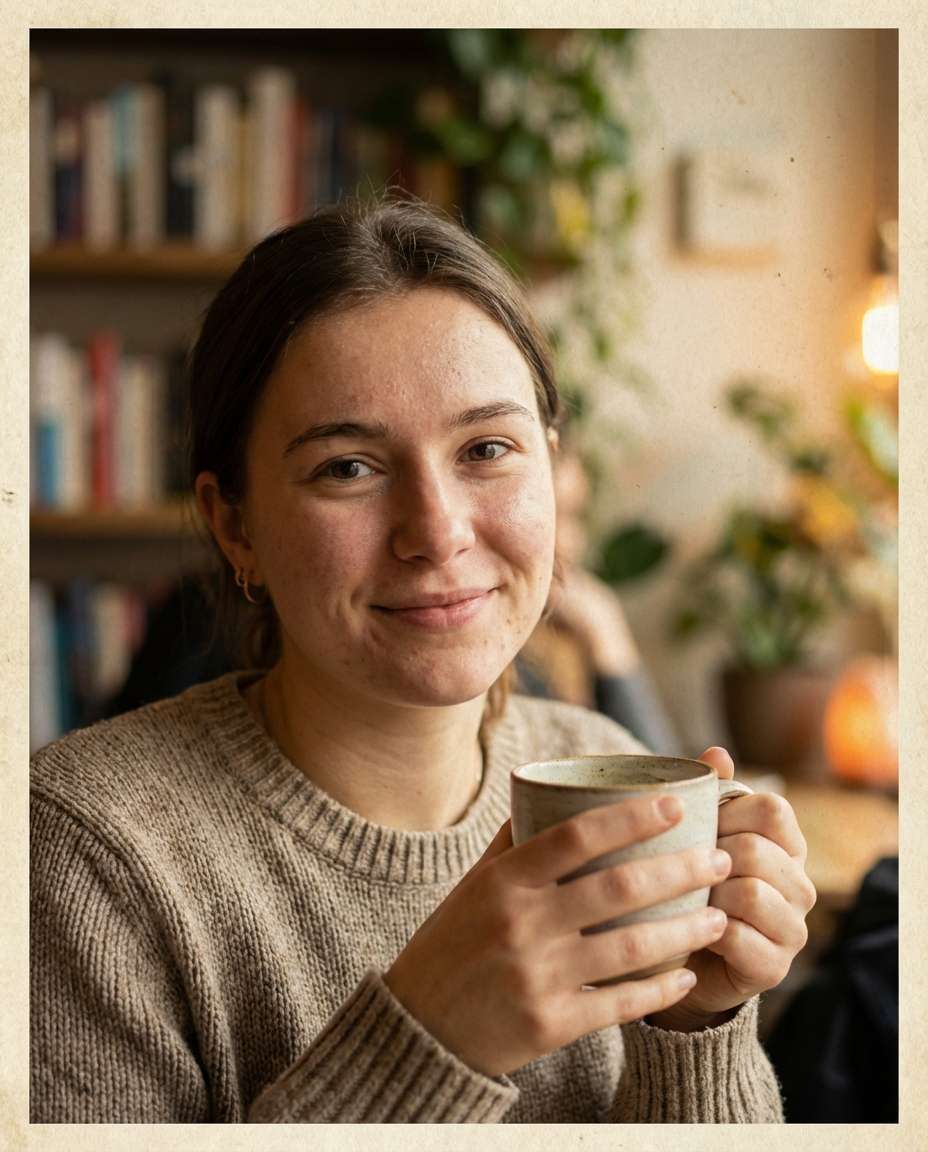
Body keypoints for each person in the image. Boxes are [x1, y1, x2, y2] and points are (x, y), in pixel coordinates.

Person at [31, 196, 816, 1123]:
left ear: (553, 473)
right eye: (347, 468)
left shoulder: (593, 755)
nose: (437, 533)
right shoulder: (81, 849)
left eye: (487, 449)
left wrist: (693, 1028)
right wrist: (435, 1037)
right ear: (232, 523)